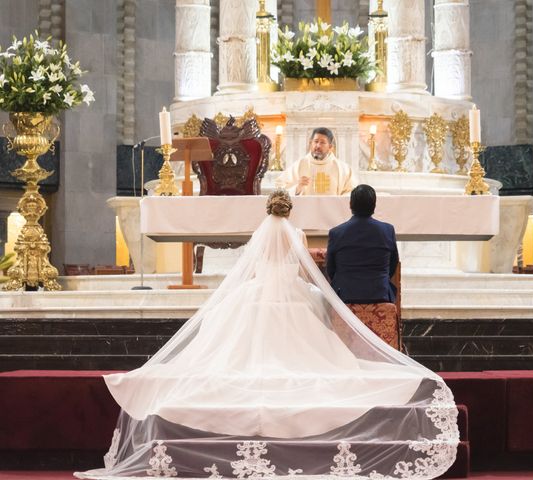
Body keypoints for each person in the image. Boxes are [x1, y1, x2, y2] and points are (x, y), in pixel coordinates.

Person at [76, 190, 458, 480]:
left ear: (268, 211)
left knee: (235, 337)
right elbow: (310, 273)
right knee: (316, 319)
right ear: (289, 212)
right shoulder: (296, 234)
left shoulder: (263, 234)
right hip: (294, 296)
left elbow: (255, 271)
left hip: (258, 295)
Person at [327, 184, 399, 304]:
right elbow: (393, 263)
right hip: (380, 293)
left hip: (345, 294)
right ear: (374, 205)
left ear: (350, 204)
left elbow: (331, 268)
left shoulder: (336, 232)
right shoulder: (387, 230)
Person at [275, 127, 355, 195]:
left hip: (333, 212)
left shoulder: (343, 168)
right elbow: (280, 188)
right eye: (316, 141)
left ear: (330, 147)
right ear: (310, 143)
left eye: (322, 143)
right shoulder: (300, 165)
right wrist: (297, 188)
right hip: (306, 211)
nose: (318, 146)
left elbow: (351, 192)